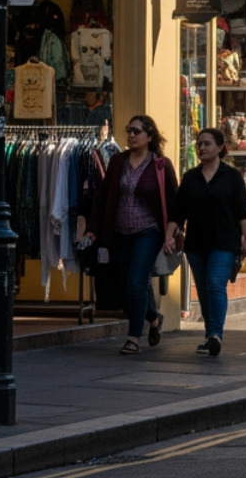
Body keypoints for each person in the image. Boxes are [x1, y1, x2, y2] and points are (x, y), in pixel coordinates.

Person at [85, 115, 177, 355]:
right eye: (129, 131)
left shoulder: (160, 165)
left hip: (148, 232)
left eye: (137, 131)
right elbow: (103, 198)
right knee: (130, 284)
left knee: (136, 282)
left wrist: (171, 234)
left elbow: (174, 201)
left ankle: (133, 337)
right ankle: (154, 318)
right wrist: (93, 230)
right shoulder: (118, 162)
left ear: (149, 136)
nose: (132, 135)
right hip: (120, 233)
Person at [168, 127, 246, 357]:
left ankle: (216, 334)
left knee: (216, 284)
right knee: (204, 291)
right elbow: (178, 212)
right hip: (196, 244)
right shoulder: (190, 177)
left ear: (220, 148)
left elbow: (243, 211)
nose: (201, 148)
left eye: (206, 144)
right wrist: (169, 235)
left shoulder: (232, 176)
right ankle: (209, 335)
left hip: (225, 242)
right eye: (199, 144)